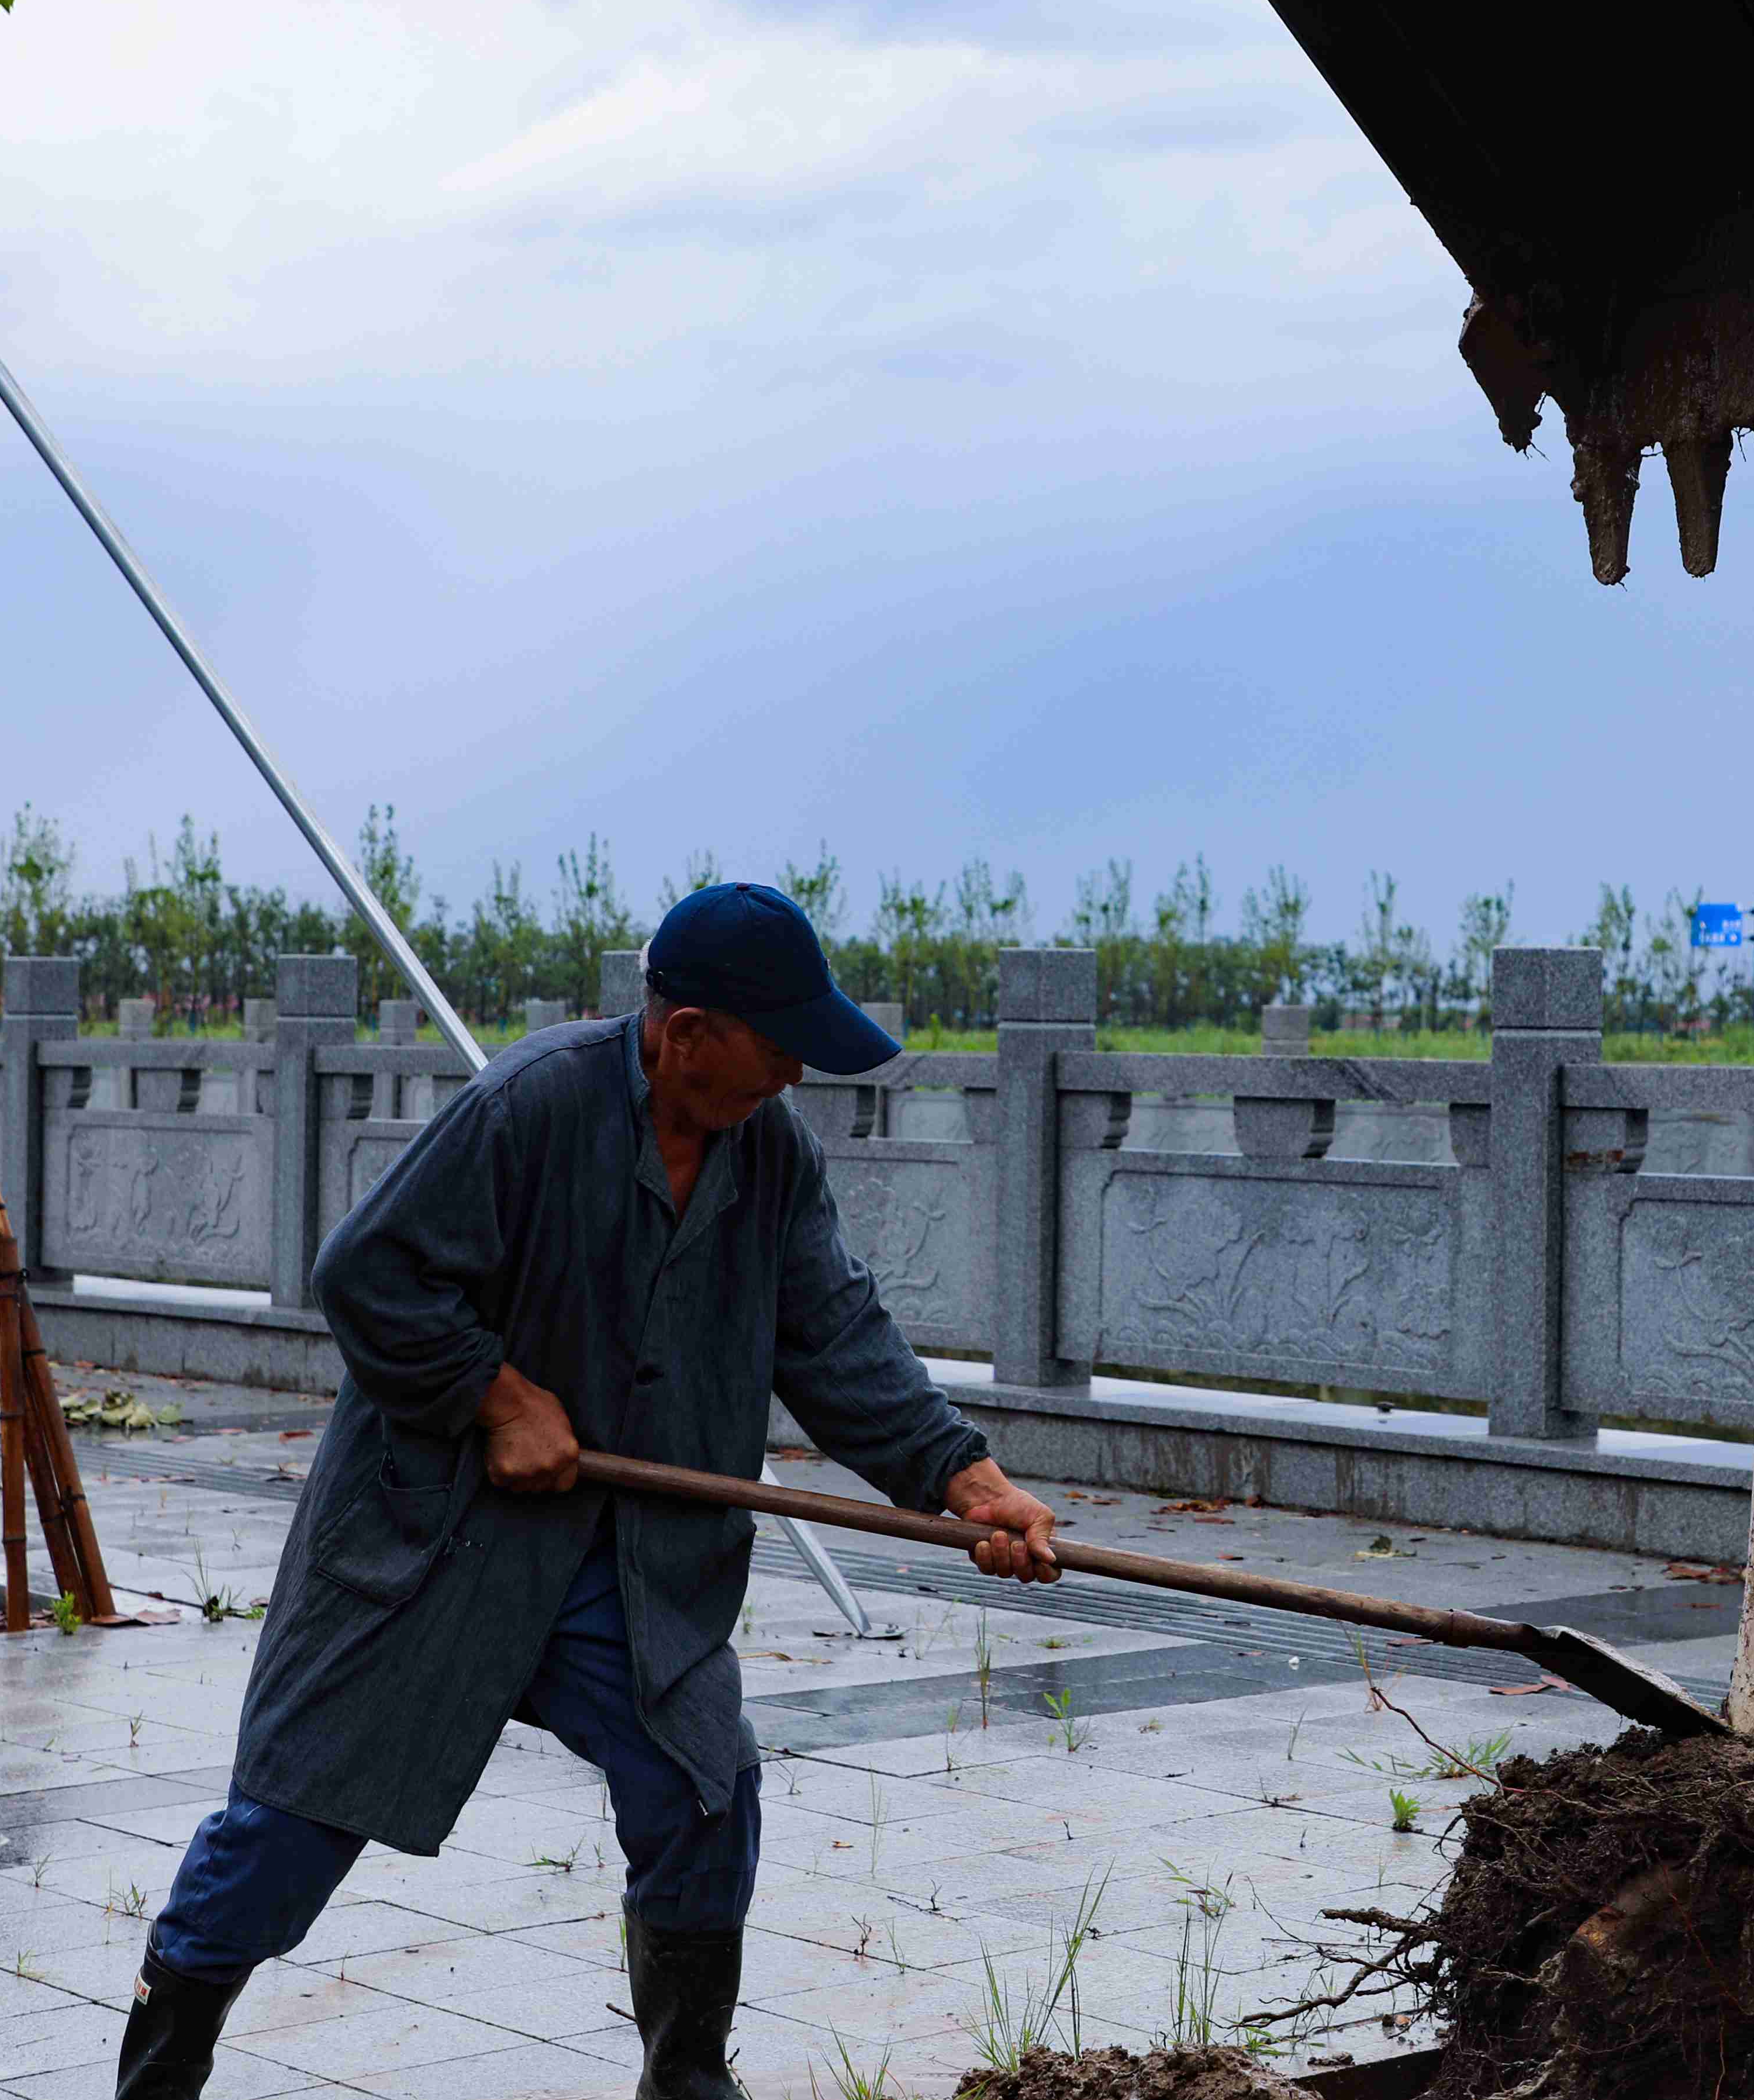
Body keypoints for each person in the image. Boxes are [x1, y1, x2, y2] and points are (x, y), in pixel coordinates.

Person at [115, 883, 1065, 2099]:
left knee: (701, 1777)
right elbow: (369, 1271)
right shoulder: (535, 1102)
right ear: (685, 1036)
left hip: (622, 1561)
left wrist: (961, 1475)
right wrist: (498, 1394)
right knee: (290, 1822)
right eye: (777, 1047)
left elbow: (835, 1331)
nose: (791, 1076)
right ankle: (158, 2068)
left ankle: (687, 2081)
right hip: (432, 1547)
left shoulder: (767, 1152)